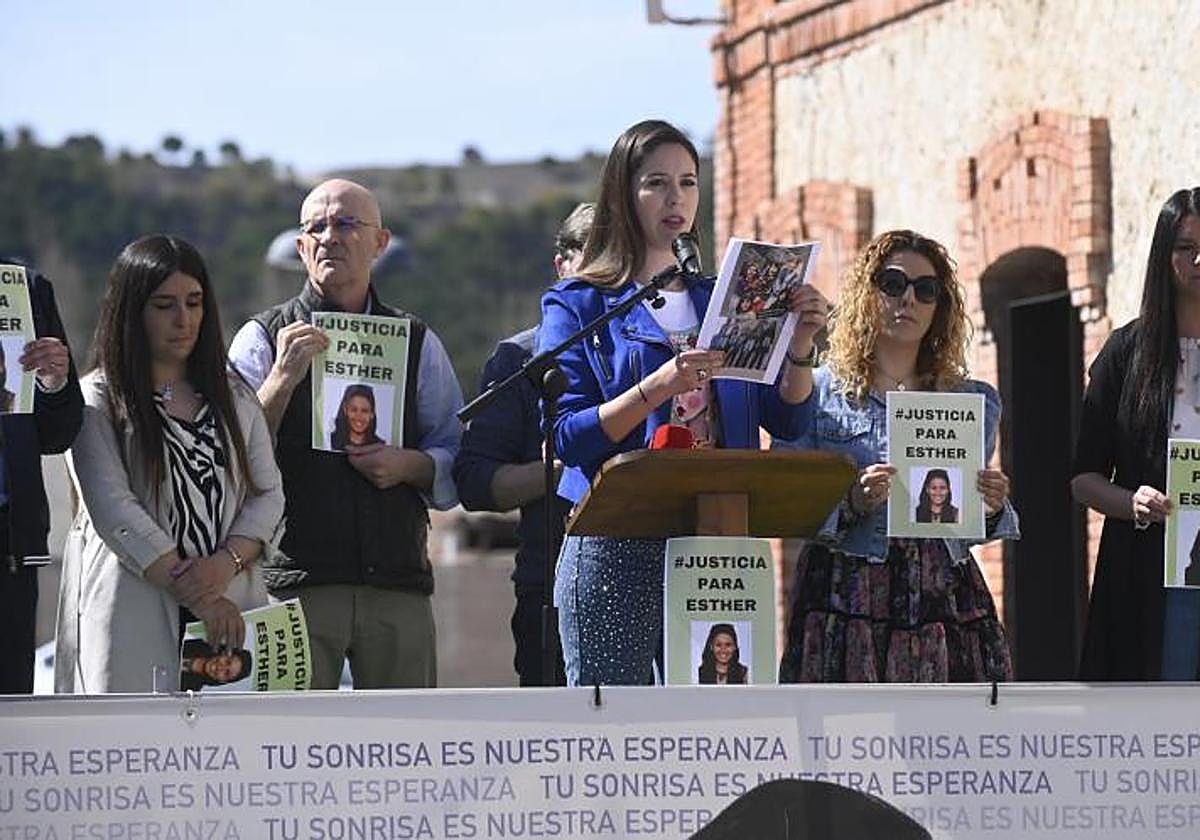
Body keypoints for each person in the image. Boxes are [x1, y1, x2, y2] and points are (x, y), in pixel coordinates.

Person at [540, 120, 828, 686]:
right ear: (622, 195)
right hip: (617, 544)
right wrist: (659, 386)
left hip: (717, 542)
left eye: (689, 183)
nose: (676, 199)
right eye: (656, 183)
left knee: (716, 722)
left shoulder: (730, 298)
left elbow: (790, 418)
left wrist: (799, 347)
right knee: (615, 729)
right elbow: (568, 435)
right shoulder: (579, 302)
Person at [229, 179, 463, 690]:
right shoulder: (263, 337)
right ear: (300, 248)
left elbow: (454, 450)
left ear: (380, 243)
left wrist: (410, 465)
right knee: (292, 751)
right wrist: (281, 380)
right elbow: (229, 454)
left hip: (397, 584)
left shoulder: (417, 342)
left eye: (346, 224)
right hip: (295, 583)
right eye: (316, 226)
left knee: (406, 752)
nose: (329, 237)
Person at [775, 229, 1018, 683]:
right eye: (892, 284)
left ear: (940, 307)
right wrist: (851, 504)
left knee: (944, 745)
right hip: (844, 594)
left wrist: (991, 505)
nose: (908, 299)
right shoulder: (819, 390)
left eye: (926, 290)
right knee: (843, 746)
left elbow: (959, 527)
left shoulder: (973, 401)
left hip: (941, 603)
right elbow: (785, 501)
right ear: (867, 293)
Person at [55, 235, 284, 693]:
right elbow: (113, 509)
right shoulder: (96, 399)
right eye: (164, 305)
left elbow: (269, 493)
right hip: (134, 610)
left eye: (194, 302)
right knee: (130, 752)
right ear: (132, 310)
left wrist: (225, 563)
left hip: (230, 617)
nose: (184, 320)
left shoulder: (234, 396)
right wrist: (198, 594)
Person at [452, 203, 593, 687]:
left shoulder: (655, 349)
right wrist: (569, 468)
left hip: (657, 585)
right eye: (592, 263)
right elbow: (475, 483)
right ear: (562, 267)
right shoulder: (519, 359)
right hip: (550, 590)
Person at [1072, 187, 1200, 681]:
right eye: (1185, 247)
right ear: (1163, 255)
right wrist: (1133, 502)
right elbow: (1083, 478)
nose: (1198, 258)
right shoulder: (1126, 353)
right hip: (1148, 573)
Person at [0, 259, 82, 694]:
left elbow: (58, 434)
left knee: (10, 714)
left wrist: (54, 382)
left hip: (10, 545)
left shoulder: (25, 290)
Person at [179, 638, 252, 690]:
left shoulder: (186, 693)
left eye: (226, 673)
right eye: (227, 662)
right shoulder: (192, 640)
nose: (221, 668)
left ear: (223, 681)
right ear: (224, 653)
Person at [330, 383, 383, 450]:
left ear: (372, 413)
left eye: (364, 411)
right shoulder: (329, 441)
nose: (359, 417)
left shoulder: (380, 447)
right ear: (345, 410)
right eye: (354, 410)